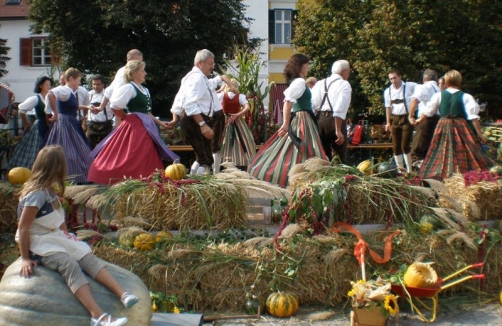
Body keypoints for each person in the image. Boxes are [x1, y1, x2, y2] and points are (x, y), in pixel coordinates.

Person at [16, 145, 138, 326]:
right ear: (56, 168)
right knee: (68, 263)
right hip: (37, 242)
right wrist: (25, 258)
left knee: (85, 255)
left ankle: (123, 294)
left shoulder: (48, 190)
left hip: (52, 236)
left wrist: (66, 235)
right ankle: (98, 316)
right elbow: (23, 228)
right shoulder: (36, 195)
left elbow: (57, 217)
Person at [88, 60, 179, 185]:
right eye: (142, 71)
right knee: (134, 152)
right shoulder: (129, 88)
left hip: (147, 125)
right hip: (136, 125)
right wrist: (126, 116)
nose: (145, 73)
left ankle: (148, 180)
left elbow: (147, 112)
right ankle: (133, 179)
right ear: (133, 73)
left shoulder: (144, 89)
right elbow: (115, 105)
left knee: (147, 152)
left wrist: (161, 123)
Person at [247, 54, 328, 187]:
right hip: (302, 119)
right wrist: (285, 123)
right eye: (306, 64)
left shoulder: (299, 81)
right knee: (306, 148)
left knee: (299, 149)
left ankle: (302, 178)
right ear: (299, 66)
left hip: (304, 118)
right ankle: (303, 178)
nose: (308, 67)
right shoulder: (300, 82)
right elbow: (288, 102)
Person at [418, 70, 495, 180]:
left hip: (443, 125)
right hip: (461, 126)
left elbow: (428, 112)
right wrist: (479, 134)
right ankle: (465, 174)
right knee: (464, 149)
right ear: (459, 81)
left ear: (446, 81)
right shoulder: (466, 96)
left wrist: (418, 120)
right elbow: (473, 117)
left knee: (441, 150)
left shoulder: (438, 95)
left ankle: (443, 175)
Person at [170, 49, 234, 174]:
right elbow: (189, 103)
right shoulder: (196, 78)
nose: (212, 67)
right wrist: (202, 125)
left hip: (195, 120)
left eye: (213, 64)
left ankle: (196, 182)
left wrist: (222, 78)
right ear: (200, 63)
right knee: (205, 158)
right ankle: (197, 185)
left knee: (205, 157)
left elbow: (179, 99)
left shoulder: (201, 78)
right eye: (210, 63)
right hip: (193, 121)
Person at [46, 68, 92, 184]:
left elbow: (72, 106)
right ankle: (70, 176)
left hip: (69, 121)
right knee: (68, 149)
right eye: (78, 80)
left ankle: (71, 176)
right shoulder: (65, 90)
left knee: (74, 149)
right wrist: (55, 113)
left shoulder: (70, 92)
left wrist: (87, 107)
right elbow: (50, 94)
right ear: (71, 79)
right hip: (65, 122)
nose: (79, 83)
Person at [311, 60, 352, 163]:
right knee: (339, 157)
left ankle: (322, 177)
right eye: (348, 72)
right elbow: (340, 108)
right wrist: (338, 130)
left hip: (320, 120)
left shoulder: (320, 83)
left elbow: (312, 104)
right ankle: (339, 178)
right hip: (334, 120)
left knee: (323, 156)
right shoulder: (344, 84)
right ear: (343, 71)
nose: (348, 75)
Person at [7, 76, 52, 169]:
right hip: (40, 125)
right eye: (46, 84)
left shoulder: (50, 97)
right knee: (37, 149)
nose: (48, 86)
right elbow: (21, 109)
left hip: (50, 126)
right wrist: (26, 123)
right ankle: (34, 169)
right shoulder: (36, 98)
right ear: (40, 86)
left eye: (49, 84)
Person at [97, 49, 143, 127]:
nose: (138, 64)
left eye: (140, 62)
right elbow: (115, 96)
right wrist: (119, 117)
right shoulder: (124, 73)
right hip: (127, 114)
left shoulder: (129, 72)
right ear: (128, 60)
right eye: (136, 61)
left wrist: (101, 106)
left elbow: (110, 89)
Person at [384, 69, 417, 173]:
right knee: (396, 146)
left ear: (400, 76)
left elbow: (422, 91)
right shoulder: (388, 91)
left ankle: (409, 171)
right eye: (391, 79)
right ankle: (400, 171)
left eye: (394, 78)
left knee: (405, 145)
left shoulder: (409, 86)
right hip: (395, 119)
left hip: (406, 118)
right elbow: (388, 107)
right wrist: (388, 122)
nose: (393, 80)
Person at [217, 78, 256, 167]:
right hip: (238, 119)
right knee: (244, 139)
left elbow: (210, 97)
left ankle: (223, 160)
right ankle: (241, 161)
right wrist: (237, 114)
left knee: (223, 140)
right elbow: (247, 107)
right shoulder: (240, 96)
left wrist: (220, 90)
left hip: (225, 119)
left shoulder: (222, 95)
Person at [408, 69, 440, 165]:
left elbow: (415, 100)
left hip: (425, 119)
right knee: (428, 149)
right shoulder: (439, 89)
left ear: (425, 78)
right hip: (437, 119)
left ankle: (418, 176)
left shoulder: (424, 87)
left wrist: (410, 116)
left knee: (417, 150)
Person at [85, 75, 114, 149]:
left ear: (103, 84)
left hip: (106, 125)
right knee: (88, 147)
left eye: (98, 84)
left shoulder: (108, 95)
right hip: (92, 125)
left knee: (106, 149)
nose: (95, 86)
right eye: (94, 84)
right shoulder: (89, 94)